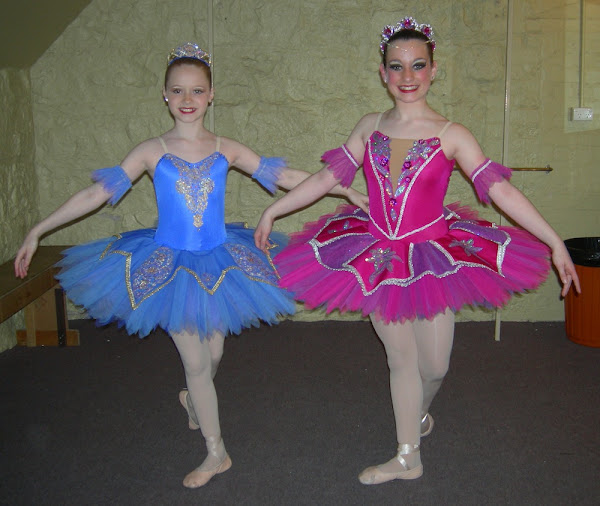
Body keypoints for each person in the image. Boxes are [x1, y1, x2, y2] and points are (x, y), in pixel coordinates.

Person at [14, 43, 366, 489]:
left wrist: (342, 191)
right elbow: (94, 195)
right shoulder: (151, 150)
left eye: (196, 91)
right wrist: (38, 229)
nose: (187, 99)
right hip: (169, 264)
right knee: (198, 363)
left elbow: (285, 177)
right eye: (177, 90)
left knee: (213, 355)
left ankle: (193, 400)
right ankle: (216, 451)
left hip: (222, 259)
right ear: (164, 95)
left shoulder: (225, 147)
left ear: (211, 95)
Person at [254, 18, 581, 485]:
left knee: (436, 365)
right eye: (396, 66)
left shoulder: (452, 134)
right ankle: (408, 455)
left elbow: (502, 192)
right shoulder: (369, 127)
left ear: (433, 70)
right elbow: (328, 178)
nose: (408, 77)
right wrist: (274, 211)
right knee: (401, 358)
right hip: (376, 255)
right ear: (382, 73)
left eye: (418, 66)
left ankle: (417, 416)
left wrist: (554, 241)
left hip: (433, 255)